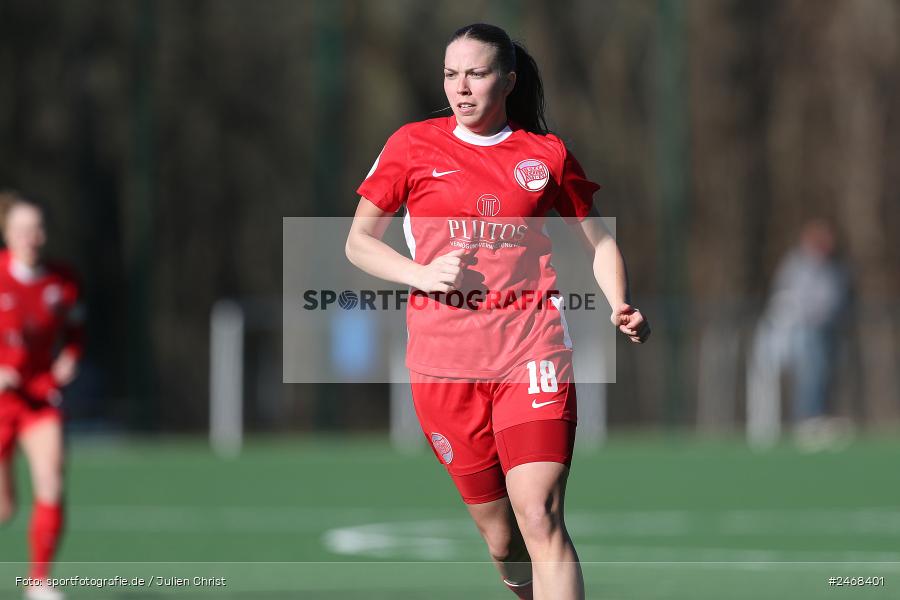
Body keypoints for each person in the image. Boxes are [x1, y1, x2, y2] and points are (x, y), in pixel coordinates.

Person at [345, 24, 649, 600]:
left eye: (477, 74)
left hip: (531, 349)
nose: (461, 87)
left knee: (540, 514)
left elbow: (600, 241)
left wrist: (620, 303)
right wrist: (422, 274)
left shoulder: (545, 154)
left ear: (507, 81)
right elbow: (358, 243)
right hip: (444, 366)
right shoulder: (412, 145)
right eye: (450, 74)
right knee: (503, 541)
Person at [0, 191, 83, 600]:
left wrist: (69, 358)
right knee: (4, 509)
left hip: (38, 399)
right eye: (23, 229)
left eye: (38, 229)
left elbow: (76, 332)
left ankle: (39, 582)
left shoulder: (62, 282)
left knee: (51, 478)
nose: (32, 237)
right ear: (7, 233)